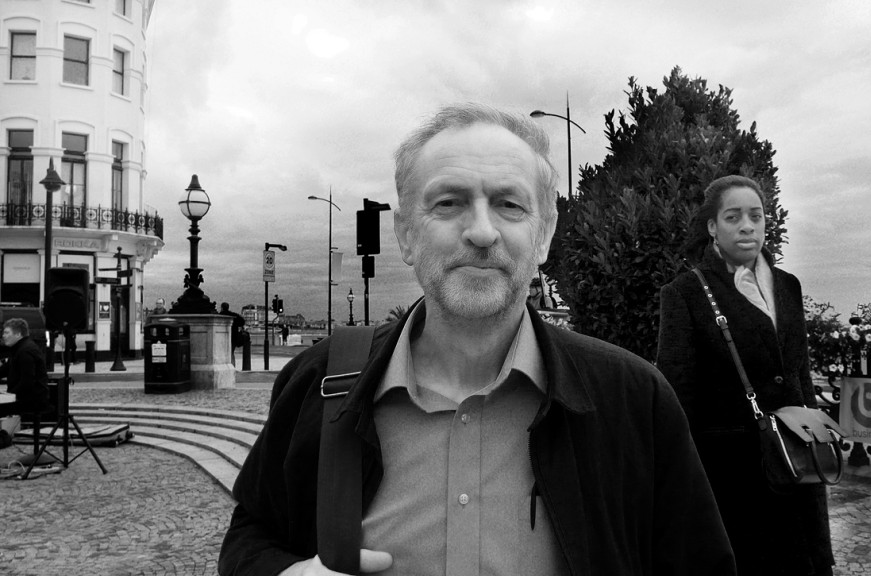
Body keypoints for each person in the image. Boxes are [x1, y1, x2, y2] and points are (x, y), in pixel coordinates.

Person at [219, 104, 735, 576]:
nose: (482, 232)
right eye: (449, 203)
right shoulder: (321, 381)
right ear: (404, 234)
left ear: (546, 232)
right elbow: (250, 539)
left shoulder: (633, 401)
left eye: (510, 205)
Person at [656, 175, 835, 576]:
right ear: (712, 227)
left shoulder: (788, 286)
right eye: (733, 216)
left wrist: (817, 434)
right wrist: (678, 473)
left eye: (756, 216)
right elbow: (677, 387)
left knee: (804, 563)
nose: (747, 226)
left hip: (796, 457)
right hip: (732, 471)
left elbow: (799, 370)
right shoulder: (686, 292)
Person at [0, 318, 51, 419]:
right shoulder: (19, 349)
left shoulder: (25, 351)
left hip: (32, 400)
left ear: (18, 334)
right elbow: (4, 370)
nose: (3, 336)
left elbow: (27, 382)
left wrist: (9, 395)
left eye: (6, 333)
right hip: (25, 396)